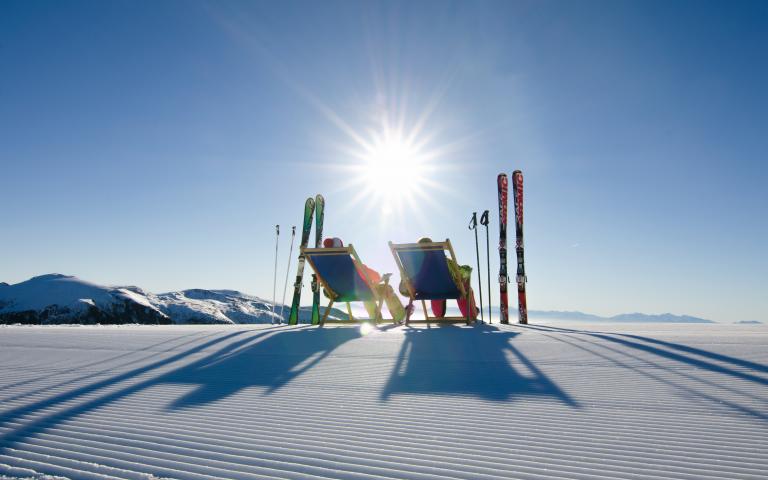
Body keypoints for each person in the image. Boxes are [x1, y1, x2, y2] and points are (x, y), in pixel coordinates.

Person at [322, 237, 410, 323]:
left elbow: (320, 281)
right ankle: (400, 315)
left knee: (365, 288)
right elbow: (370, 274)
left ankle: (375, 316)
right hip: (359, 292)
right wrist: (378, 277)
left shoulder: (323, 265)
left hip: (335, 294)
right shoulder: (348, 262)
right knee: (375, 288)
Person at [399, 237, 479, 320]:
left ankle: (438, 312)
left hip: (428, 291)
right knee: (464, 285)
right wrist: (467, 271)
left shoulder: (411, 268)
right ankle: (471, 313)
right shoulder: (444, 262)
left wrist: (408, 286)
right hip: (447, 288)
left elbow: (404, 290)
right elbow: (460, 273)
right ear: (434, 248)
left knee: (434, 289)